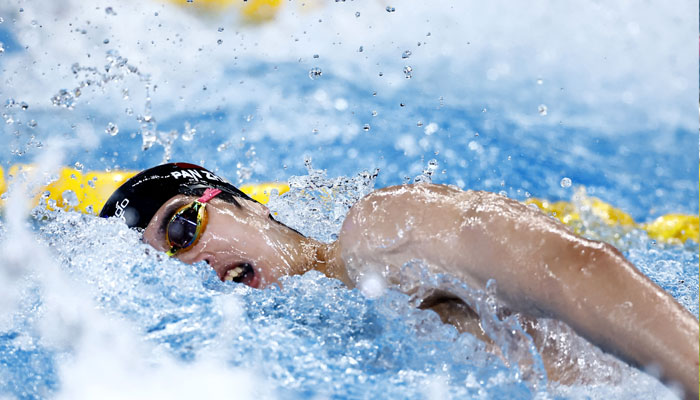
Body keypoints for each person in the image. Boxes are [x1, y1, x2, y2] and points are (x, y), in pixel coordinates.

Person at [99, 162, 699, 399]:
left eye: (182, 230)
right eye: (165, 267)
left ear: (244, 204)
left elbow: (576, 267)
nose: (191, 264)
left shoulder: (382, 235)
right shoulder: (292, 360)